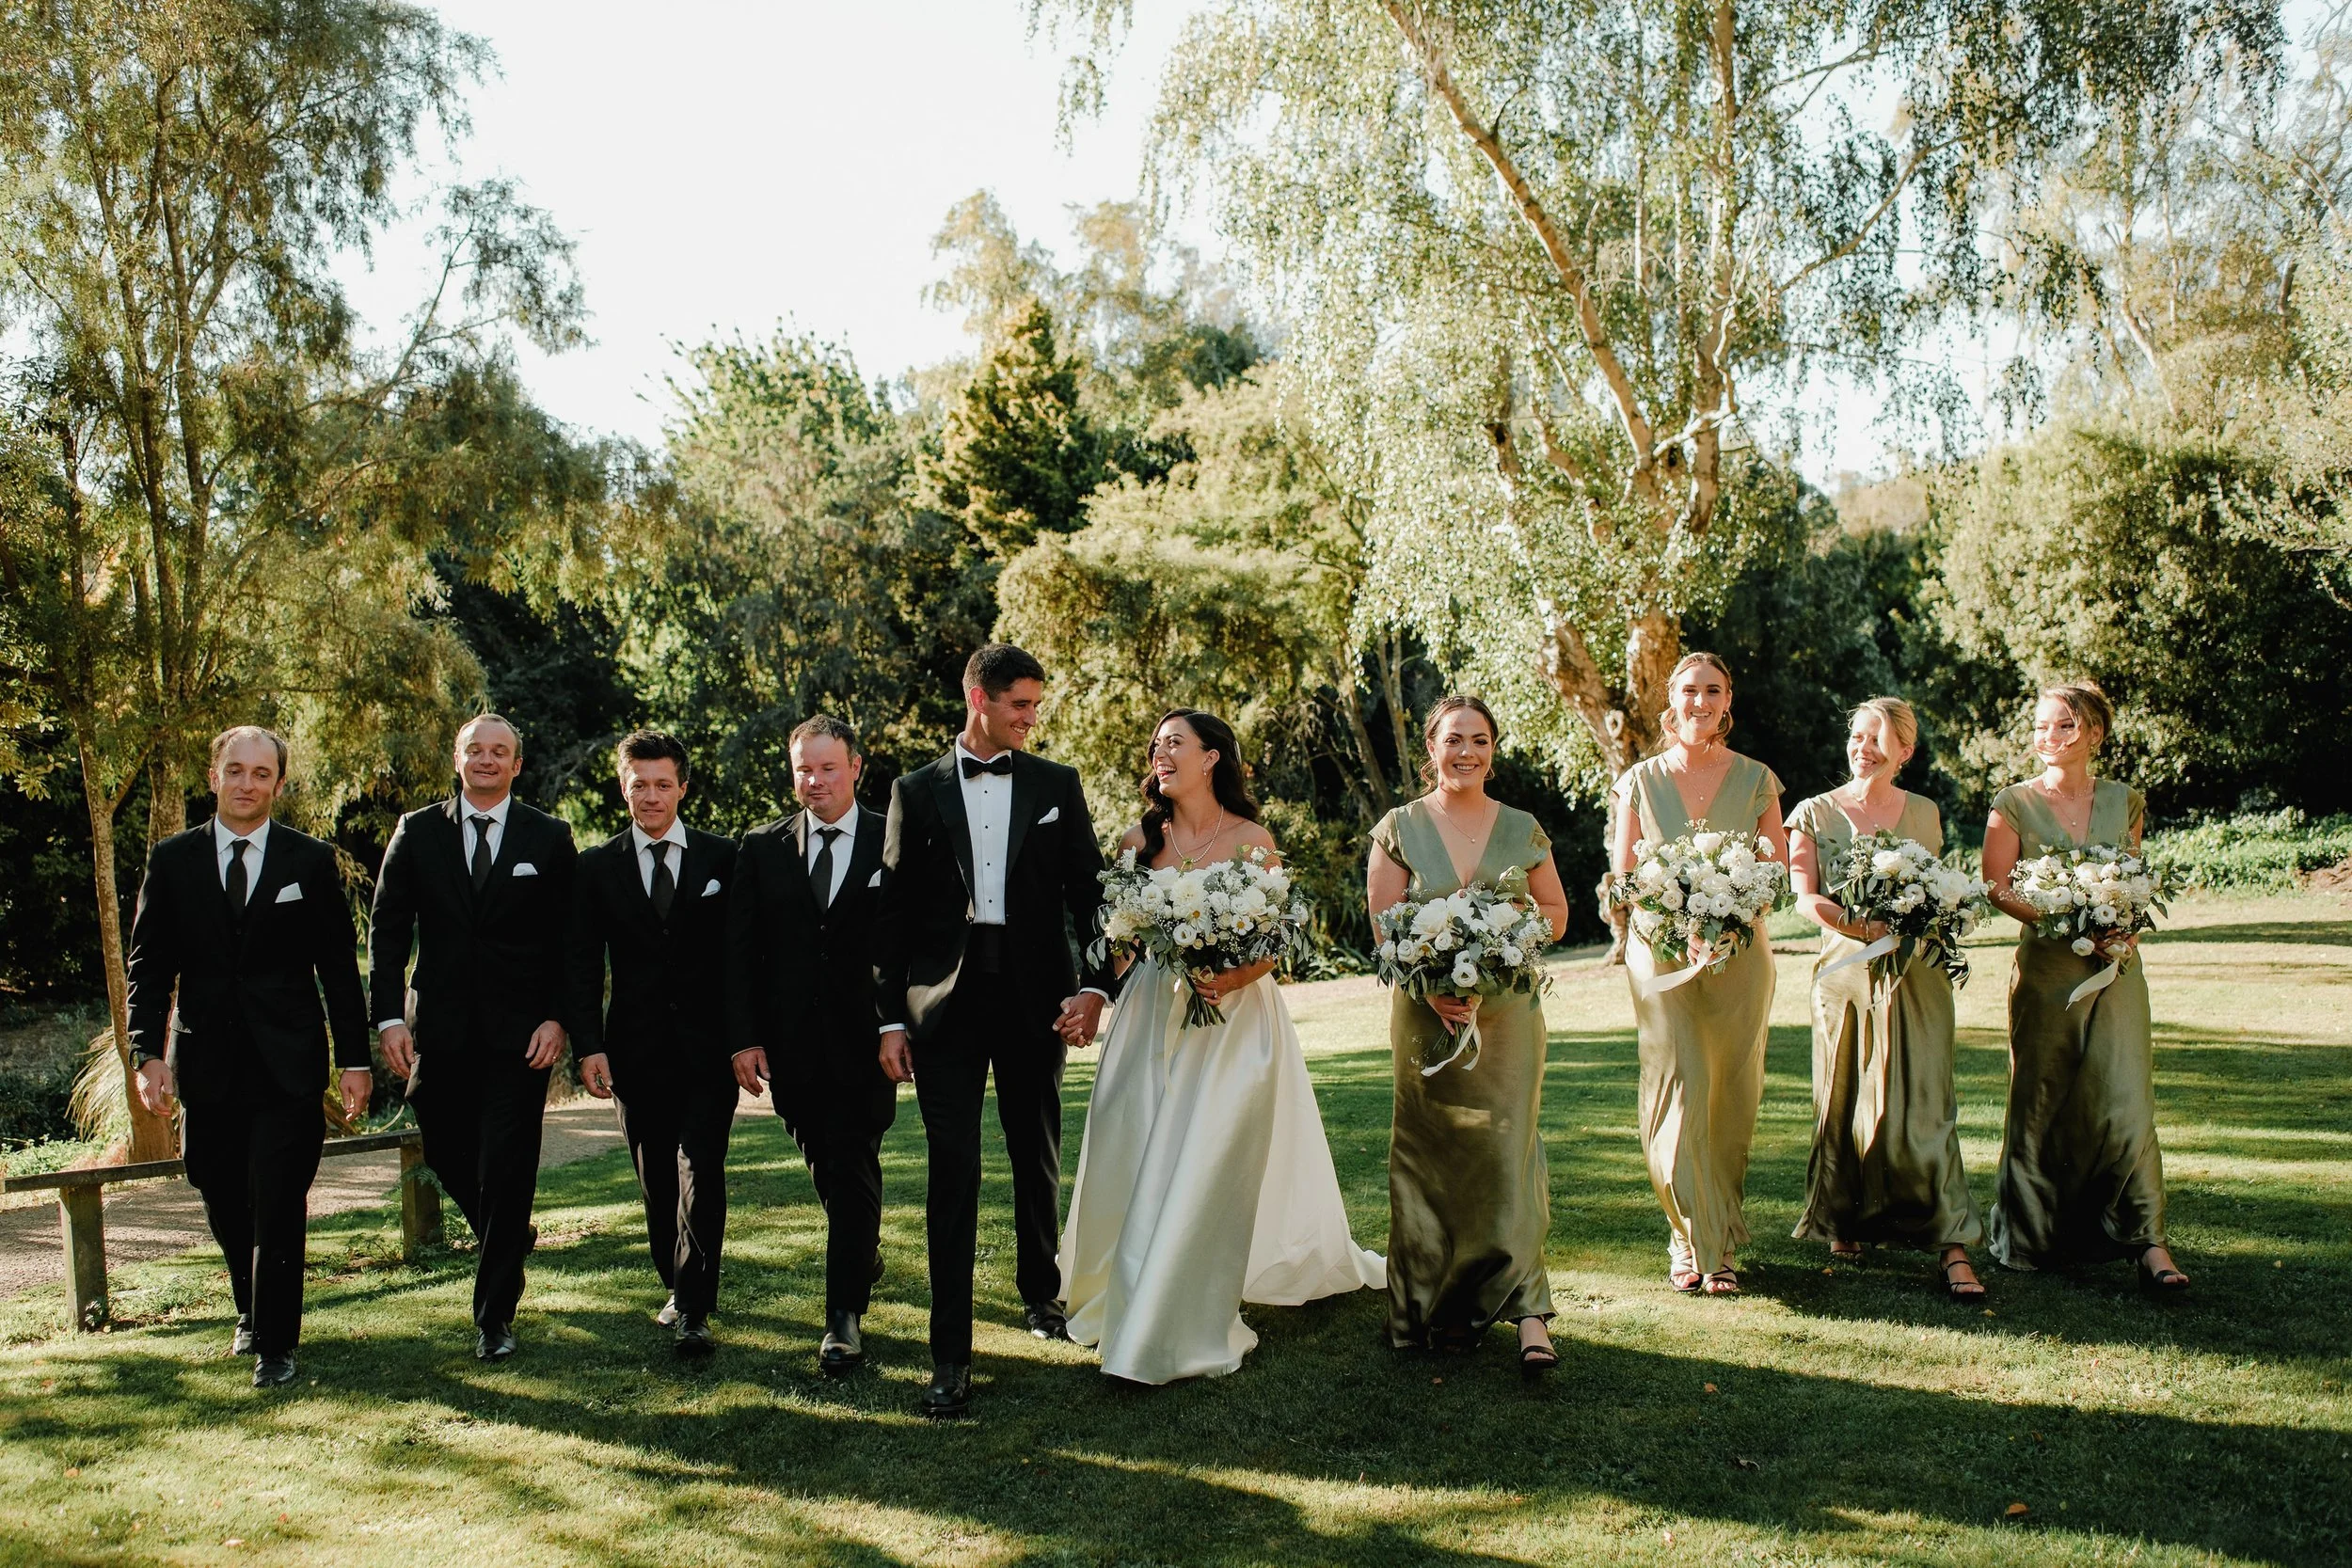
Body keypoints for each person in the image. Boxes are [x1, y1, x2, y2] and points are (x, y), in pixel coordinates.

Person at [1059, 709, 1383, 1385]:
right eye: (1155, 744)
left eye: (1174, 742)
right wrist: (1097, 992)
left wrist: (1227, 975)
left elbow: (1275, 941)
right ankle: (1124, 1280)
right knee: (1137, 1141)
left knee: (1208, 1155)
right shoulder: (1137, 840)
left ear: (1212, 758)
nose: (1160, 753)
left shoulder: (1251, 839)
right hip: (1151, 1016)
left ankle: (1183, 1301)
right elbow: (1117, 945)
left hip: (1235, 1021)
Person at [873, 642, 1117, 1419]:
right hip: (943, 1005)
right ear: (978, 697)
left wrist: (1092, 984)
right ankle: (949, 1355)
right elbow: (893, 919)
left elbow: (1095, 895)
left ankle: (1041, 1296)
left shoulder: (1055, 784)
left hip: (1034, 995)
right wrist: (888, 1017)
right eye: (1021, 704)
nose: (1031, 718)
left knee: (1034, 1148)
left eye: (1036, 706)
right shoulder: (915, 789)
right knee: (953, 1170)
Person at [123, 726, 372, 1388]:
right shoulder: (171, 861)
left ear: (279, 785)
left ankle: (275, 1344)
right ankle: (248, 1303)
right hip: (205, 1060)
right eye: (236, 770)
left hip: (288, 1061)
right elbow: (148, 969)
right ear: (214, 776)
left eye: (262, 773)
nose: (247, 783)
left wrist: (355, 1058)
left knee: (279, 1195)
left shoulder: (309, 862)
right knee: (217, 1184)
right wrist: (147, 1051)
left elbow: (339, 972)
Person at [1366, 696, 1571, 1373]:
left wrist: (1501, 947)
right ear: (1431, 745)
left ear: (1492, 748)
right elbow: (1385, 926)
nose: (1467, 752)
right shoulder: (1398, 827)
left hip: (1507, 1017)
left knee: (1508, 1156)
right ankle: (1433, 1308)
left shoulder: (1522, 827)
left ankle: (1529, 1313)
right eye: (1454, 739)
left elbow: (1557, 913)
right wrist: (1436, 986)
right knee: (1430, 1157)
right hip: (1427, 1016)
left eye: (1479, 740)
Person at [369, 714, 578, 1360]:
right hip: (440, 1030)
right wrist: (388, 1017)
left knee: (509, 1168)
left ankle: (494, 1318)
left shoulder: (548, 836)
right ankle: (508, 1233)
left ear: (518, 764)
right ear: (456, 759)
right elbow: (387, 931)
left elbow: (571, 941)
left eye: (500, 752)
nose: (487, 760)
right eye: (475, 750)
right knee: (445, 1146)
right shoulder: (417, 830)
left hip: (522, 1037)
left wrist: (558, 1017)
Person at [1980, 680, 2185, 1290]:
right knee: (2040, 1102)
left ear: (2093, 733)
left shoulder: (2127, 799)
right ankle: (2030, 1236)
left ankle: (2149, 1241)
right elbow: (1997, 887)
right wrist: (2064, 916)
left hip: (2117, 971)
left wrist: (2123, 932)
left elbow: (2134, 881)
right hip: (2047, 974)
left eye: (2062, 726)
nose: (2048, 737)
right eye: (2040, 726)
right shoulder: (2012, 802)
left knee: (2125, 1099)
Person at [1787, 698, 1985, 1299]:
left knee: (1926, 1102)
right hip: (1845, 970)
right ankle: (1845, 1220)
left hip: (1918, 973)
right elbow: (1803, 897)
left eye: (1878, 737)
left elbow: (1936, 886)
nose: (1863, 746)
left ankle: (1952, 1242)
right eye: (1856, 735)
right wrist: (1862, 926)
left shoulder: (1924, 812)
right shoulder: (1812, 813)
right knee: (1843, 1098)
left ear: (1905, 750)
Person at [1609, 652, 1788, 1296]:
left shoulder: (1758, 778)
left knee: (1729, 1097)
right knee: (1677, 1088)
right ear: (1671, 699)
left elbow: (1775, 877)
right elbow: (1625, 877)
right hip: (1661, 956)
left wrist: (1726, 921)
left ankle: (1719, 1234)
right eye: (1689, 690)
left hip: (1740, 959)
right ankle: (1689, 1237)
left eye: (1712, 690)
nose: (1700, 701)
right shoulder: (1639, 780)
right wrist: (1679, 922)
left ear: (1727, 699)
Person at [728, 715, 897, 1375]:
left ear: (856, 767)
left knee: (852, 1162)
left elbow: (914, 940)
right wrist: (742, 1037)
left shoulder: (895, 838)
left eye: (829, 767)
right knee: (827, 1163)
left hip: (870, 1042)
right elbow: (739, 953)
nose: (815, 780)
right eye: (804, 768)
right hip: (790, 1047)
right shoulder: (761, 847)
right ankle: (863, 1252)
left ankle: (842, 1320)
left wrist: (900, 1023)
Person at [566, 731, 739, 1355]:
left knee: (701, 1170)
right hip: (634, 1052)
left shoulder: (723, 859)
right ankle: (677, 1282)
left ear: (683, 787)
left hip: (707, 1050)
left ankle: (693, 1305)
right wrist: (588, 1044)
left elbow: (741, 955)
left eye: (663, 783)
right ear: (623, 787)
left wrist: (745, 1037)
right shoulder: (595, 866)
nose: (651, 795)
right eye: (639, 783)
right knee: (657, 1180)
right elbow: (582, 962)